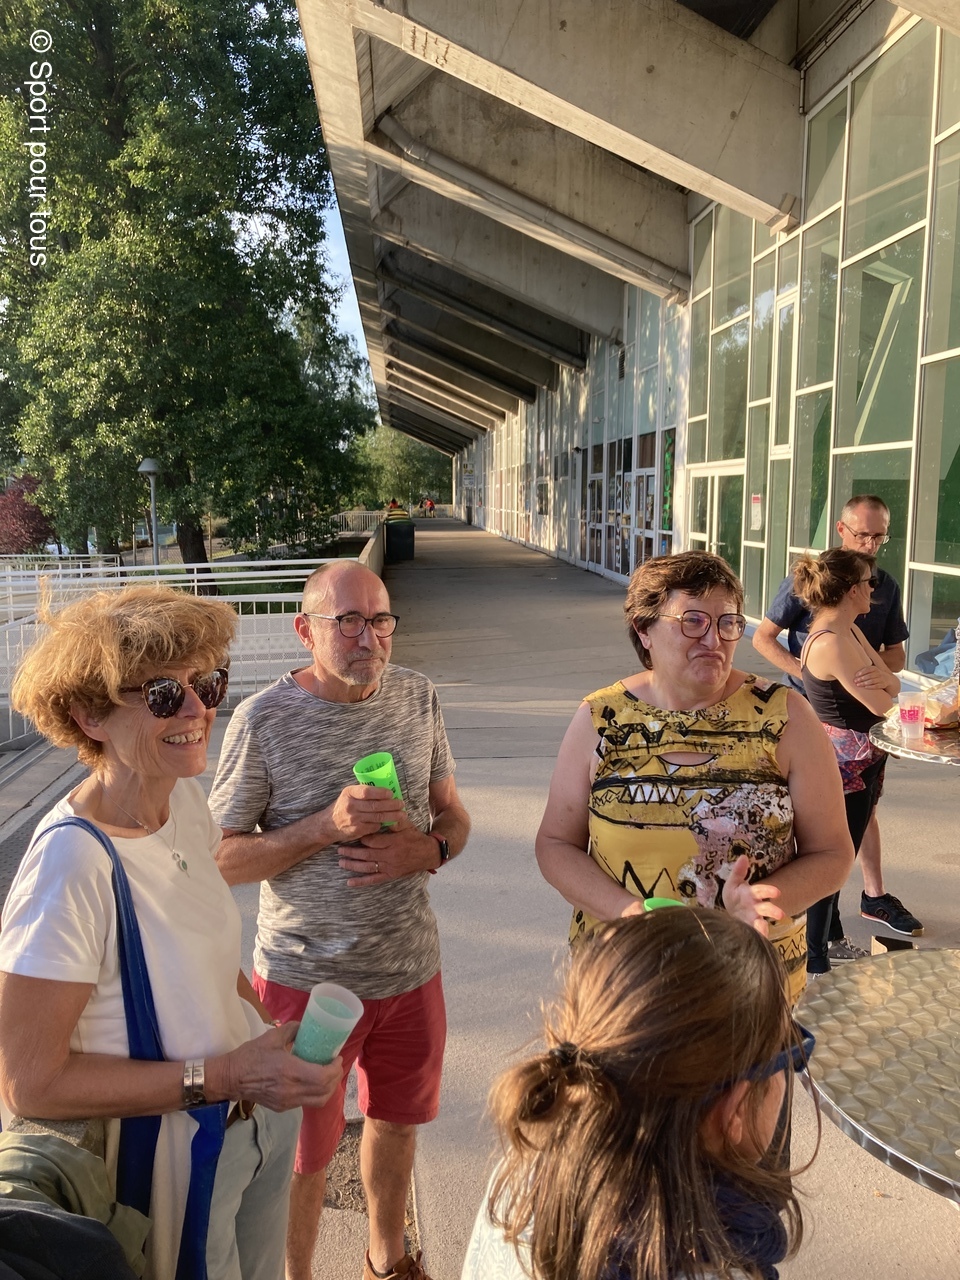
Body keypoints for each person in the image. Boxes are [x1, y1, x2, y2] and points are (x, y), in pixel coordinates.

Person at [0, 584, 341, 1280]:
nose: (198, 710)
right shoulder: (71, 864)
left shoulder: (182, 799)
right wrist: (224, 1075)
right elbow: (28, 1085)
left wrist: (265, 1037)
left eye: (206, 683)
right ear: (89, 714)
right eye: (162, 694)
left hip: (253, 1126)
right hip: (174, 1169)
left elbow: (212, 954)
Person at [208, 561, 470, 1280]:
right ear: (305, 630)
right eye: (347, 621)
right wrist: (324, 825)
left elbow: (452, 812)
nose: (368, 638)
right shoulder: (263, 720)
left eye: (379, 620)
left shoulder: (416, 696)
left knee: (397, 1123)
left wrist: (431, 849)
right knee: (301, 1151)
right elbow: (221, 859)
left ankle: (388, 1259)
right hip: (305, 980)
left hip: (409, 968)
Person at [536, 550, 853, 1006]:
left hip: (749, 985)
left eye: (727, 623)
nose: (714, 639)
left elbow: (832, 853)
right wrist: (627, 913)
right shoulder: (600, 718)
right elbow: (555, 844)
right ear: (644, 630)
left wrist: (762, 901)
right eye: (693, 621)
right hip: (623, 982)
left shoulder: (785, 717)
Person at [462, 907, 815, 1280]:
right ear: (735, 1110)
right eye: (788, 1054)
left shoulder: (527, 1173)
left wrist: (734, 967)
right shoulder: (720, 1265)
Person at [752, 495, 919, 944]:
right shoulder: (817, 579)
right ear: (842, 529)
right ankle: (820, 940)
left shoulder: (881, 587)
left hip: (863, 728)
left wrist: (875, 674)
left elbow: (895, 659)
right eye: (863, 534)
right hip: (822, 718)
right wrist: (813, 674)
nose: (871, 544)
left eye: (879, 536)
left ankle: (871, 897)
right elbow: (764, 638)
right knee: (825, 833)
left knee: (861, 817)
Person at [792, 550, 901, 975]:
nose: (875, 588)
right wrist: (889, 685)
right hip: (844, 766)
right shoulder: (832, 642)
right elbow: (884, 703)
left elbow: (891, 683)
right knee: (834, 863)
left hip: (863, 758)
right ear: (853, 590)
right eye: (870, 582)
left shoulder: (847, 630)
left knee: (841, 857)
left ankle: (830, 940)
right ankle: (815, 962)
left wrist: (889, 683)